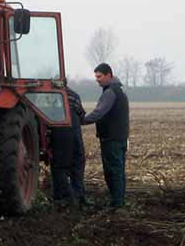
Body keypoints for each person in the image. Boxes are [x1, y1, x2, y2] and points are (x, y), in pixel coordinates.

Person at [82, 63, 129, 209]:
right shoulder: (119, 91)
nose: (97, 80)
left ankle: (116, 203)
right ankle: (119, 201)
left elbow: (99, 112)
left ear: (109, 75)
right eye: (96, 77)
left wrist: (81, 120)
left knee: (113, 171)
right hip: (120, 138)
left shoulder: (110, 92)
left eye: (99, 76)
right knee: (119, 170)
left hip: (111, 139)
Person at [49, 86, 88, 208]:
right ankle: (79, 196)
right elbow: (81, 116)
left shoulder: (51, 96)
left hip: (61, 133)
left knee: (60, 166)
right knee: (77, 164)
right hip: (76, 134)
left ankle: (64, 197)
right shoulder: (75, 95)